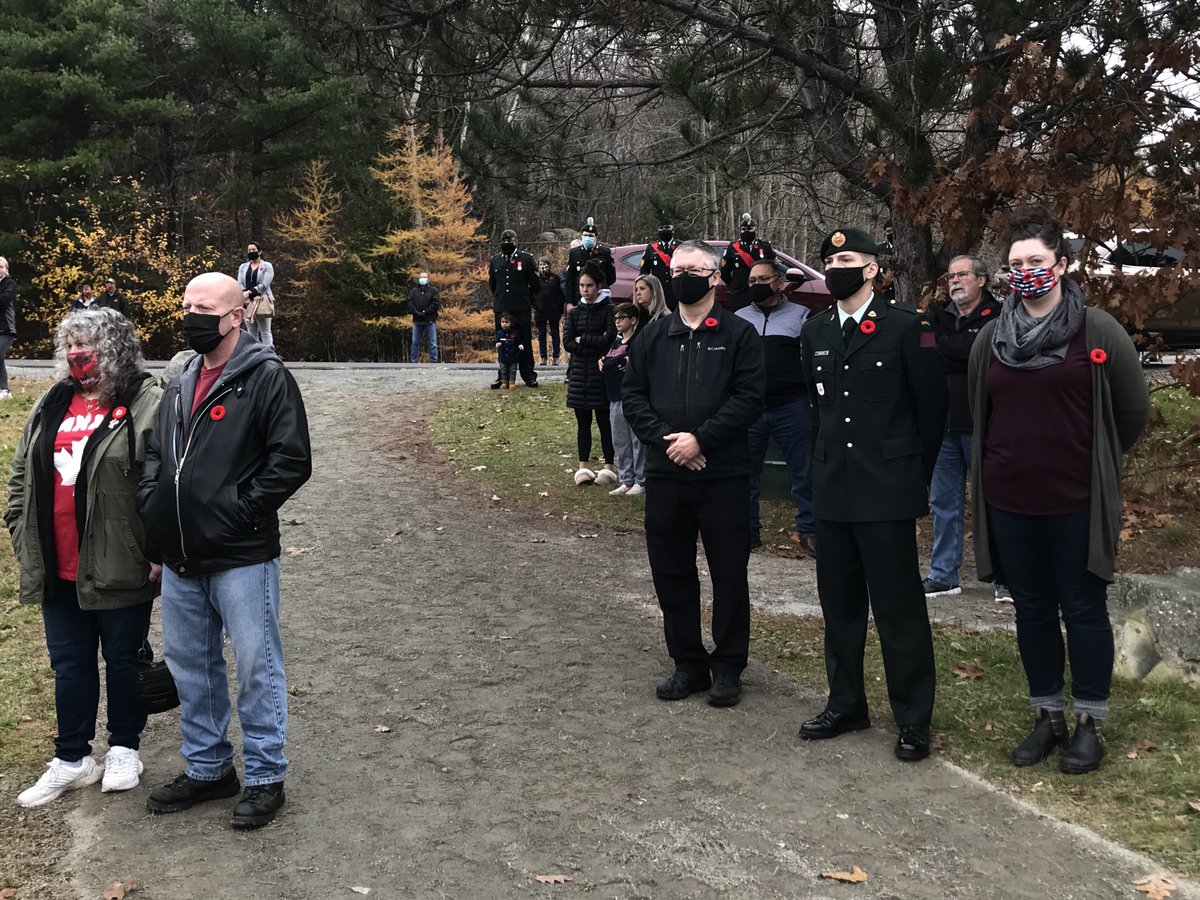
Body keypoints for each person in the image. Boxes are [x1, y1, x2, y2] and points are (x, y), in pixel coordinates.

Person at [968, 209, 1149, 774]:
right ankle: (1046, 715)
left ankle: (1089, 721)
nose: (1026, 272)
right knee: (1033, 611)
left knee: (1085, 609)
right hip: (1010, 498)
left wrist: (1093, 460)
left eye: (1037, 262)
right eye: (1016, 263)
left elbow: (1132, 409)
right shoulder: (991, 338)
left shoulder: (1098, 331)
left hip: (1076, 500)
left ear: (1062, 265)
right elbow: (982, 410)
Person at [138, 272, 311, 828]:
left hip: (241, 554)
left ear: (237, 315)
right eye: (186, 305)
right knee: (192, 666)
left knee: (257, 666)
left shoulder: (266, 377)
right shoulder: (182, 376)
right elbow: (158, 458)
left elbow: (291, 460)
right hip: (182, 556)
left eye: (205, 307)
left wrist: (239, 511)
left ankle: (265, 775)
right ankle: (210, 768)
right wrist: (155, 510)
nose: (192, 315)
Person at [798, 227, 947, 762]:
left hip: (886, 491)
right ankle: (846, 703)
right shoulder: (814, 331)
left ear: (871, 268)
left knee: (897, 608)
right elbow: (818, 413)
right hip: (833, 487)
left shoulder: (908, 326)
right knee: (838, 606)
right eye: (830, 258)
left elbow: (932, 412)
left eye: (847, 257)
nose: (837, 265)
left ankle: (912, 718)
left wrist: (911, 477)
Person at [7, 308, 162, 807]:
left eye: (87, 344)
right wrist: (19, 529)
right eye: (69, 344)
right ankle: (72, 759)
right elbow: (20, 475)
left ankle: (124, 747)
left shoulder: (145, 401)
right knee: (70, 664)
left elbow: (161, 484)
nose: (76, 354)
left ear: (113, 347)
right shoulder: (53, 402)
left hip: (121, 560)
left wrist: (154, 548)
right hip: (58, 563)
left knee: (121, 660)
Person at [623, 240, 765, 708]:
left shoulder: (740, 334)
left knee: (728, 573)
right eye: (676, 268)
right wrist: (672, 441)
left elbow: (748, 398)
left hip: (723, 474)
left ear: (715, 277)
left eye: (693, 269)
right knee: (672, 572)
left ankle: (727, 667)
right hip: (666, 474)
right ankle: (687, 663)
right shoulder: (651, 337)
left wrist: (701, 440)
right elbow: (634, 399)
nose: (683, 275)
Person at [923, 256, 1006, 600]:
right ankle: (944, 574)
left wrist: (950, 349)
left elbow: (987, 353)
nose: (955, 281)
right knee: (943, 503)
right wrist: (961, 350)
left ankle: (1006, 576)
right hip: (943, 425)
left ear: (982, 280)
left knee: (996, 503)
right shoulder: (935, 316)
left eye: (963, 275)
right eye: (951, 275)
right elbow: (925, 353)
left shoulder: (1000, 315)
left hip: (985, 424)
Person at [735, 260, 816, 556]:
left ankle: (809, 531)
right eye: (752, 280)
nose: (757, 285)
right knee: (746, 474)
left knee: (804, 472)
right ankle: (748, 531)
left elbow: (810, 361)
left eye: (763, 279)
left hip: (791, 406)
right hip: (751, 408)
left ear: (780, 282)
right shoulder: (740, 318)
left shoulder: (801, 316)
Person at [562, 262, 618, 487]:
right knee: (582, 424)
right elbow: (567, 342)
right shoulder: (575, 312)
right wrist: (589, 345)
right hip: (579, 376)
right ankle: (582, 467)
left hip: (601, 374)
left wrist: (582, 339)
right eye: (582, 285)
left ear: (598, 286)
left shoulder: (609, 310)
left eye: (589, 285)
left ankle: (609, 466)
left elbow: (608, 340)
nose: (585, 289)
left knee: (605, 423)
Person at [599, 302, 645, 496]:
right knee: (620, 440)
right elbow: (610, 358)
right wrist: (602, 360)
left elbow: (641, 364)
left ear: (633, 320)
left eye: (622, 318)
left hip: (632, 397)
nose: (617, 321)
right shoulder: (616, 341)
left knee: (636, 440)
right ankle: (626, 479)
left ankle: (641, 480)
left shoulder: (638, 341)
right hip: (614, 396)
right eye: (616, 318)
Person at [487, 229, 539, 388]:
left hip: (521, 307)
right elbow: (493, 284)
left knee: (524, 342)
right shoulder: (495, 261)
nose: (507, 243)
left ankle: (529, 375)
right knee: (502, 342)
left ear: (516, 241)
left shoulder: (526, 259)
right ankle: (502, 377)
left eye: (510, 240)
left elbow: (535, 284)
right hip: (502, 307)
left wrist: (527, 299)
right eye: (504, 240)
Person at [720, 213, 775, 310]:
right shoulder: (733, 247)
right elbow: (724, 272)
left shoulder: (765, 247)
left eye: (750, 229)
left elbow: (774, 268)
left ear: (755, 230)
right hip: (738, 296)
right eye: (743, 229)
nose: (746, 232)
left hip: (760, 295)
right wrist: (734, 286)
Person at [564, 218, 616, 311]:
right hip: (579, 299)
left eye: (591, 236)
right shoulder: (574, 253)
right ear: (581, 236)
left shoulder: (604, 252)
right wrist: (569, 302)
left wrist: (599, 286)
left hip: (600, 298)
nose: (588, 238)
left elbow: (611, 277)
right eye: (585, 235)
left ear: (596, 237)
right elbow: (569, 279)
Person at [236, 242, 276, 347]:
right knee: (251, 332)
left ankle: (268, 355)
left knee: (265, 331)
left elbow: (265, 284)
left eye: (254, 250)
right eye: (249, 250)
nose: (251, 252)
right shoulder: (243, 267)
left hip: (262, 300)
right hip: (247, 302)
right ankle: (254, 355)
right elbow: (239, 283)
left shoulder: (267, 266)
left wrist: (250, 292)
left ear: (259, 251)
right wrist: (245, 296)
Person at [639, 223, 678, 309]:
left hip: (677, 291)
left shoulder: (681, 246)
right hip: (659, 292)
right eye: (661, 228)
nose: (664, 230)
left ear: (673, 230)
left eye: (667, 227)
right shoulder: (651, 248)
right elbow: (643, 272)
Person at [534, 260, 565, 365]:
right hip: (540, 311)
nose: (543, 267)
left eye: (545, 264)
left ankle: (556, 356)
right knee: (542, 335)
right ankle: (543, 357)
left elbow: (561, 293)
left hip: (554, 310)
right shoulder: (536, 279)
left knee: (555, 333)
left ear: (549, 265)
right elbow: (531, 294)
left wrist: (559, 307)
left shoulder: (555, 278)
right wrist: (535, 305)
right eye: (541, 264)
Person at [408, 272, 440, 363]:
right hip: (417, 321)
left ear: (428, 279)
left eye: (424, 277)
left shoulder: (433, 291)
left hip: (430, 321)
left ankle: (433, 362)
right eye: (421, 277)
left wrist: (425, 312)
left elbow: (435, 304)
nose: (422, 279)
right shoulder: (414, 291)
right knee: (415, 343)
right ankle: (413, 362)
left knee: (432, 343)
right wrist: (416, 312)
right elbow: (410, 303)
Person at [0, 257, 16, 400]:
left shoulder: (9, 284)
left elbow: (3, 301)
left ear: (6, 269)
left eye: (1, 267)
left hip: (6, 329)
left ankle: (4, 389)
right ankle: (4, 389)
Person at [495, 312, 523, 389]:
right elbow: (497, 341)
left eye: (507, 322)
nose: (504, 324)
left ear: (511, 323)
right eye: (502, 322)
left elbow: (519, 341)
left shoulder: (515, 333)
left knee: (513, 370)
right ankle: (504, 382)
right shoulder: (499, 333)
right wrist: (497, 344)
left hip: (513, 356)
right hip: (503, 356)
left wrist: (520, 345)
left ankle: (512, 382)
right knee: (503, 370)